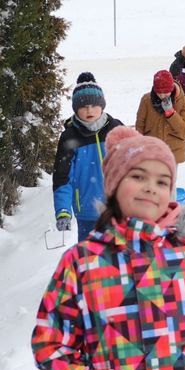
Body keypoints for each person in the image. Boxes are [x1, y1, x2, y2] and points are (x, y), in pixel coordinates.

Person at [32, 126, 185, 370]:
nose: (151, 187)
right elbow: (51, 343)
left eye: (162, 181)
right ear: (113, 185)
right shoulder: (81, 264)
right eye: (138, 176)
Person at [53, 72, 123, 242]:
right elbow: (62, 177)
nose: (89, 110)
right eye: (83, 106)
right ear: (76, 109)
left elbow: (136, 165)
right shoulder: (70, 137)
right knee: (89, 255)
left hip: (118, 208)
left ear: (102, 105)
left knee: (119, 254)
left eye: (93, 105)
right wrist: (63, 210)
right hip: (87, 212)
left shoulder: (116, 129)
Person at [135, 69, 185, 164]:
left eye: (165, 92)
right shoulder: (146, 100)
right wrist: (139, 143)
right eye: (159, 93)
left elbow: (182, 128)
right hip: (152, 148)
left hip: (174, 150)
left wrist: (171, 113)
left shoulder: (183, 102)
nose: (162, 96)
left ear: (171, 89)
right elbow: (140, 124)